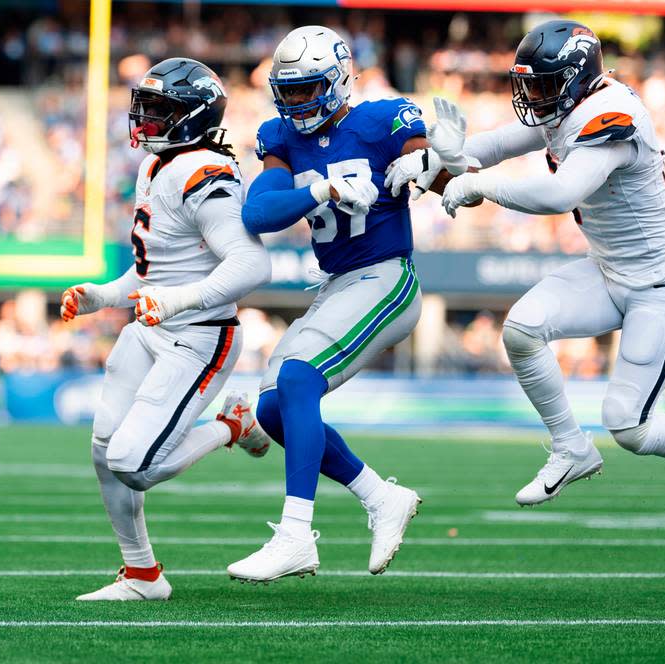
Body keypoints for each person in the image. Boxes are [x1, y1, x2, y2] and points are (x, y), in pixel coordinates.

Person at [227, 26, 450, 583]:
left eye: (307, 89)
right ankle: (381, 497)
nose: (296, 101)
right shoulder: (280, 136)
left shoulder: (380, 120)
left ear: (337, 80)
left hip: (386, 276)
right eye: (289, 90)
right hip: (337, 286)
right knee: (275, 407)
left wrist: (429, 168)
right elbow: (259, 214)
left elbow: (436, 170)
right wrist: (321, 190)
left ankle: (296, 535)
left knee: (299, 380)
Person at [437, 19, 665, 505]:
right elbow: (494, 145)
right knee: (522, 329)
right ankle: (571, 447)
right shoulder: (569, 103)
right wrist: (437, 158)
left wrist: (478, 184)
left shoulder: (612, 113)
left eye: (542, 84)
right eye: (528, 84)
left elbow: (561, 194)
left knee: (630, 425)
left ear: (575, 77)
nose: (533, 96)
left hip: (659, 284)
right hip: (607, 270)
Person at [60, 57, 272, 600]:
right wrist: (103, 297)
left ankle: (235, 424)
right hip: (150, 330)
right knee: (103, 447)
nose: (147, 120)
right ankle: (141, 575)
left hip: (199, 336)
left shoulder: (206, 173)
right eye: (146, 108)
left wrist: (176, 301)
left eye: (160, 110)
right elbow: (154, 269)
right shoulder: (155, 166)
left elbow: (251, 266)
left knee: (134, 463)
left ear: (192, 116)